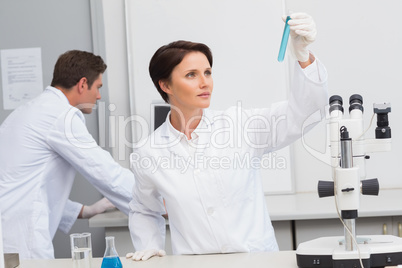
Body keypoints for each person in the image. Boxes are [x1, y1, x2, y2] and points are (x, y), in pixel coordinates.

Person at [127, 13, 328, 261]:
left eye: (208, 72)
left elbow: (305, 115)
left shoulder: (240, 126)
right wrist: (149, 245)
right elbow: (144, 209)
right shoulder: (150, 152)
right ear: (165, 85)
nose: (205, 83)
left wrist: (304, 57)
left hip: (257, 262)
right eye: (192, 75)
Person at [0, 50, 135, 259]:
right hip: (21, 237)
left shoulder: (27, 111)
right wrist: (157, 200)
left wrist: (85, 210)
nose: (99, 95)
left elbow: (25, 184)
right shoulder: (61, 115)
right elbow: (103, 170)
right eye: (98, 87)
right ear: (82, 84)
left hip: (10, 231)